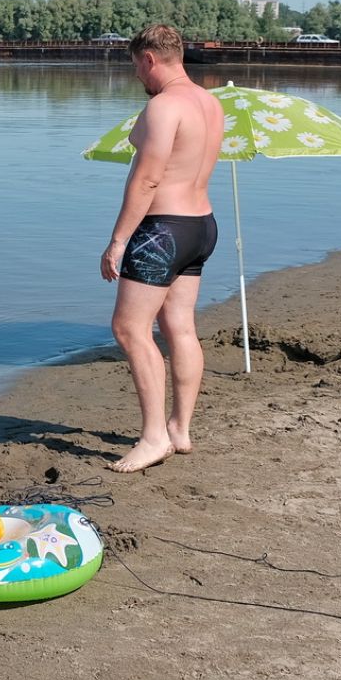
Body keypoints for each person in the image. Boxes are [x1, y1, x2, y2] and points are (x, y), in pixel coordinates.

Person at [99, 23, 225, 473]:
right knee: (180, 326)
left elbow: (148, 178)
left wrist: (117, 241)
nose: (137, 75)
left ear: (149, 59)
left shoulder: (163, 106)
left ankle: (154, 437)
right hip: (201, 226)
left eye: (136, 66)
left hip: (163, 230)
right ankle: (180, 429)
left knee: (129, 329)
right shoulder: (210, 103)